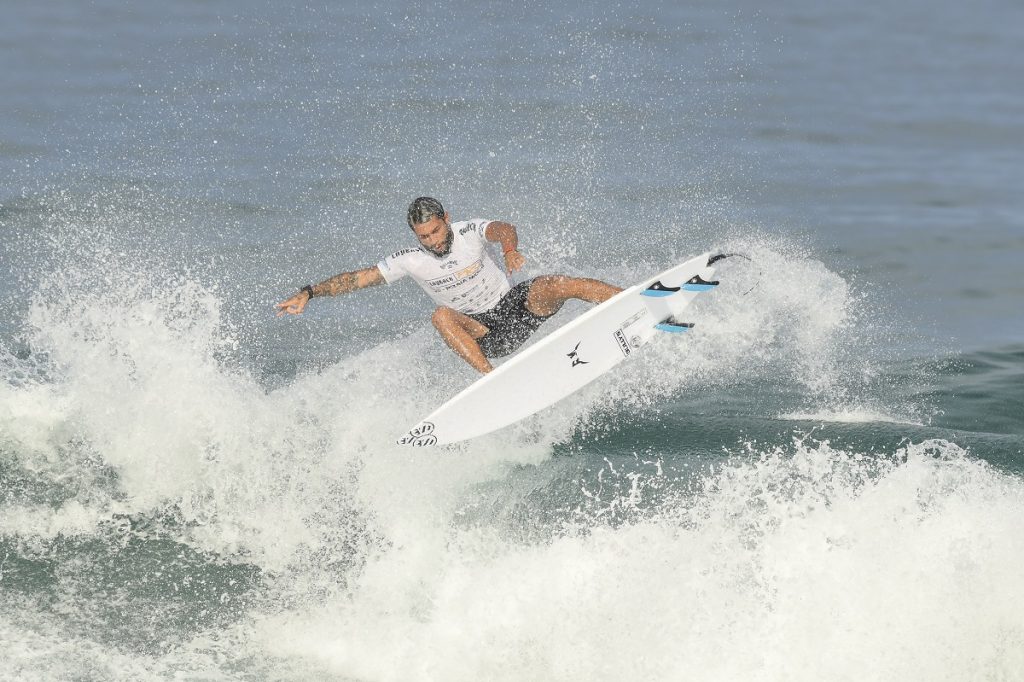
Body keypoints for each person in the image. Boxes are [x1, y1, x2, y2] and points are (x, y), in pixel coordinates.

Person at [276, 197, 622, 374]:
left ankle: (631, 302)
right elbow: (357, 279)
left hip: (514, 307)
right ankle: (491, 380)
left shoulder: (469, 232)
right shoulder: (409, 259)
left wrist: (510, 250)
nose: (431, 241)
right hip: (483, 332)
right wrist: (309, 292)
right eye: (423, 236)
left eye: (436, 232)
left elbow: (503, 228)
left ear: (447, 219)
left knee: (554, 283)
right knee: (441, 315)